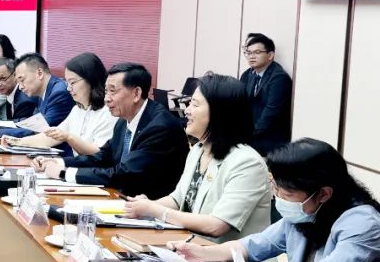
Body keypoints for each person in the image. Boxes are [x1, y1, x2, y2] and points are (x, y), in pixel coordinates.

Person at [167, 138, 380, 262]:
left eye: (287, 194)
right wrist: (203, 253)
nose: (278, 198)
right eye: (275, 189)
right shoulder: (307, 211)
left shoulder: (362, 223)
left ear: (324, 194)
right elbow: (254, 245)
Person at [122, 74, 271, 241]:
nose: (187, 110)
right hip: (189, 248)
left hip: (225, 255)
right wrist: (145, 206)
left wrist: (155, 210)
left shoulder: (247, 163)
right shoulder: (197, 150)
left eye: (195, 104)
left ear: (219, 112)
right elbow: (178, 200)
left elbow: (217, 225)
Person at [34, 62, 188, 197]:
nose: (106, 98)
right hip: (123, 198)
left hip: (150, 208)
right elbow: (102, 157)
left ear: (136, 93)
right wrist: (59, 162)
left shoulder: (159, 127)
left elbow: (124, 173)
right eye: (106, 91)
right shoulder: (123, 120)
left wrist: (63, 173)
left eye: (113, 91)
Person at [0, 52, 116, 156]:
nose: (68, 88)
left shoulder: (108, 112)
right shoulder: (77, 110)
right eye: (67, 83)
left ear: (91, 80)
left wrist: (69, 138)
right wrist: (17, 142)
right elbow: (51, 137)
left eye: (72, 82)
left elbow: (99, 154)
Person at [0, 52, 72, 139]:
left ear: (39, 73)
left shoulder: (59, 93)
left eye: (22, 80)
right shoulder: (44, 91)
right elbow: (31, 123)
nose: (20, 87)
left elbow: (40, 128)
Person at [239, 33, 292, 156]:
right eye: (249, 53)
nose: (251, 56)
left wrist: (245, 135)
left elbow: (271, 114)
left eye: (257, 52)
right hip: (251, 137)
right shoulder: (247, 75)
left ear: (270, 55)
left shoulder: (279, 78)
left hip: (270, 142)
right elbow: (240, 104)